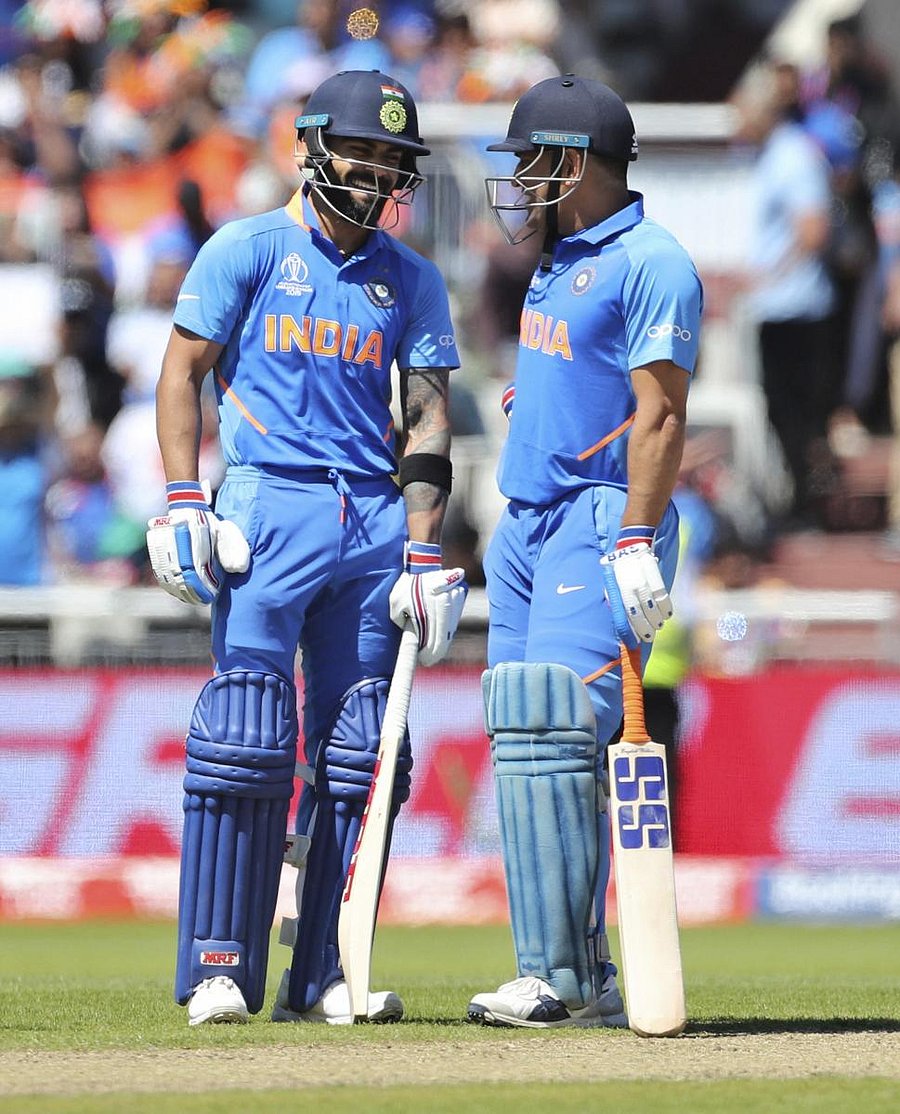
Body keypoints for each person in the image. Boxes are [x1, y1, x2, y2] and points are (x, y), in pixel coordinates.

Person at [146, 69, 467, 1027]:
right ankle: (220, 966)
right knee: (244, 736)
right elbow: (180, 375)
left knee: (366, 750)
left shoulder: (410, 278)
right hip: (264, 506)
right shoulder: (247, 247)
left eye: (392, 162)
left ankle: (326, 969)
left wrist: (423, 549)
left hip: (369, 520)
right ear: (314, 145)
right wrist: (179, 502)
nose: (377, 177)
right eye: (363, 153)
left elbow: (428, 415)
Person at [468, 74, 702, 1029]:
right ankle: (569, 973)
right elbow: (579, 384)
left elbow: (662, 412)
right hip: (526, 520)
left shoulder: (654, 261)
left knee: (556, 727)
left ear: (570, 161)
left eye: (531, 162)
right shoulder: (558, 259)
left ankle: (561, 978)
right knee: (526, 739)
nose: (519, 181)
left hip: (601, 520)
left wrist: (639, 538)